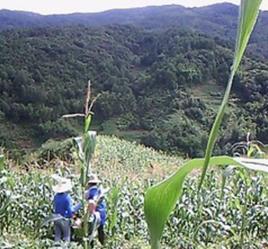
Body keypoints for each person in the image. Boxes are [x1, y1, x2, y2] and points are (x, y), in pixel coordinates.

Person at [52, 175, 81, 242]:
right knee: (66, 237)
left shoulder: (56, 196)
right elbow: (70, 211)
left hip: (56, 218)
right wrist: (80, 205)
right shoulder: (67, 197)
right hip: (64, 219)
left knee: (57, 236)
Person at [85, 174, 107, 247]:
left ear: (88, 184)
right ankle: (102, 244)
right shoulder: (99, 190)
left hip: (95, 213)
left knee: (91, 231)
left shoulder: (90, 192)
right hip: (102, 212)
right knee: (101, 229)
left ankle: (90, 245)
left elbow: (92, 202)